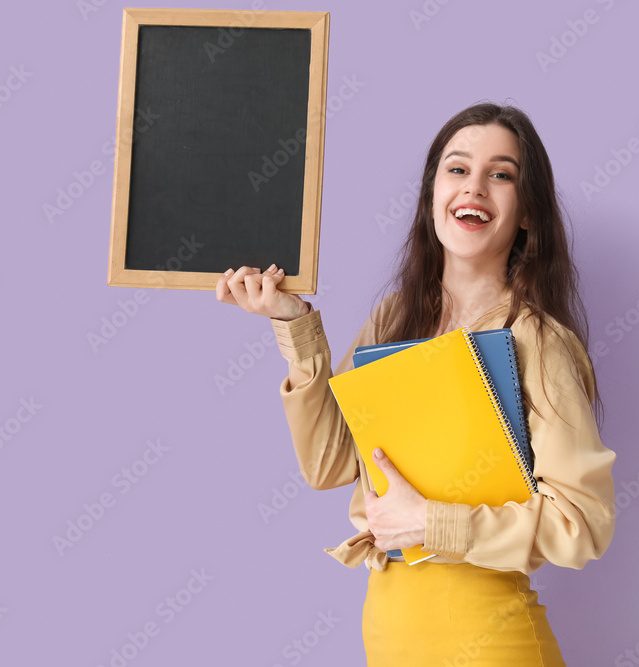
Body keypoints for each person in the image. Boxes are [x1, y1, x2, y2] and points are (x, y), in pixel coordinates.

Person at [216, 102, 616, 666]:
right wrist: (292, 323)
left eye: (501, 175)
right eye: (457, 169)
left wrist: (432, 522)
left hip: (488, 639)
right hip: (389, 630)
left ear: (527, 211)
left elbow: (582, 525)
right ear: (433, 193)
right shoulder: (394, 316)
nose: (474, 187)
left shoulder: (536, 338)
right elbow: (329, 464)